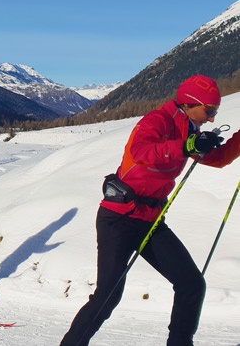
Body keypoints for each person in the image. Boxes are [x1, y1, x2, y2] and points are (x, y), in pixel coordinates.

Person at [60, 74, 240, 346]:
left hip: (151, 221)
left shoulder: (187, 128)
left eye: (215, 112)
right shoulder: (157, 121)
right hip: (118, 219)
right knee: (108, 296)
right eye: (210, 111)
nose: (212, 118)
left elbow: (219, 159)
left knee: (192, 285)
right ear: (191, 103)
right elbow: (142, 150)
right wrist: (187, 146)